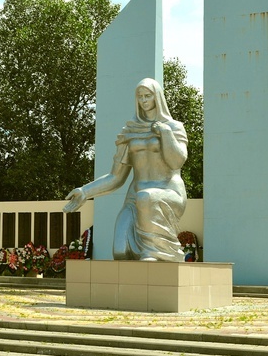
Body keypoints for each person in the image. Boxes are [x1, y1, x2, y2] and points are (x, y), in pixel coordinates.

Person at [64, 78, 187, 261]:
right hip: (135, 197)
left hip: (166, 192)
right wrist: (85, 191)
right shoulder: (130, 131)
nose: (144, 101)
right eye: (140, 97)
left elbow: (177, 162)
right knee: (121, 251)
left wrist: (165, 133)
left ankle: (158, 254)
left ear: (157, 97)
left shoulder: (173, 127)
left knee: (146, 198)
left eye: (148, 96)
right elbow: (116, 177)